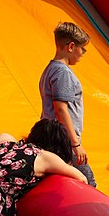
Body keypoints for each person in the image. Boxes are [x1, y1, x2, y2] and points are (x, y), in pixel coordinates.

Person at [38, 22, 97, 187]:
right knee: (88, 183)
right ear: (71, 46)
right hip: (63, 139)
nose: (82, 54)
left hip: (50, 135)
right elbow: (61, 108)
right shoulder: (63, 72)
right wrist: (75, 144)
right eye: (82, 49)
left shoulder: (49, 69)